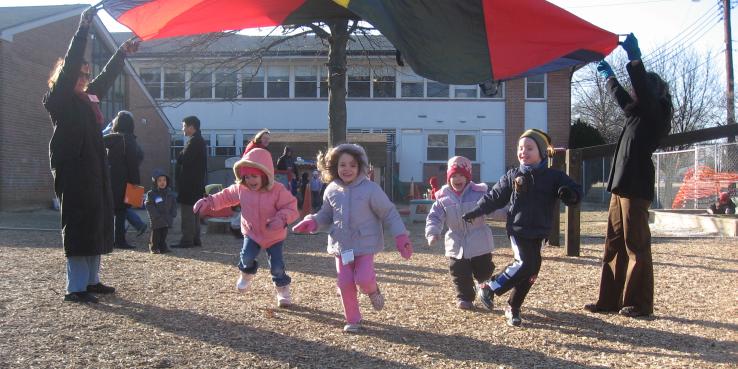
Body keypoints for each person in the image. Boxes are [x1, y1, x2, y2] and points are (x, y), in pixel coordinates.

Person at [43, 6, 138, 303]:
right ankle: (76, 287)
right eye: (79, 74)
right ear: (64, 76)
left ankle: (92, 281)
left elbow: (106, 78)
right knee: (78, 222)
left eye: (86, 73)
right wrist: (83, 28)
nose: (84, 77)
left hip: (95, 169)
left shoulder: (87, 99)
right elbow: (71, 63)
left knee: (97, 221)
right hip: (73, 169)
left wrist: (121, 52)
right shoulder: (59, 100)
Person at [584, 33, 673, 318]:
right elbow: (621, 96)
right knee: (613, 243)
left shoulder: (656, 112)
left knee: (636, 245)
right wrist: (608, 74)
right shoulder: (636, 113)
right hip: (620, 185)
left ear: (654, 92)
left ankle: (639, 303)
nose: (637, 93)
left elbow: (640, 91)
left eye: (643, 88)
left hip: (636, 186)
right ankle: (609, 300)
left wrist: (634, 59)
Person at [464, 129, 581, 327]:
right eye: (520, 148)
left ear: (542, 152)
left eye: (529, 148)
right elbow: (494, 197)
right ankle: (489, 286)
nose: (523, 152)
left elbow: (576, 191)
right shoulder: (513, 175)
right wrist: (476, 211)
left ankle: (513, 306)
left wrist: (569, 194)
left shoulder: (554, 176)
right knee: (524, 263)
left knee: (531, 272)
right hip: (519, 229)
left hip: (541, 231)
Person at [292, 143, 413, 333]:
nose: (347, 169)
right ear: (335, 167)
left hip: (365, 244)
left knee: (364, 278)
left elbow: (389, 212)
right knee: (344, 283)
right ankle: (353, 319)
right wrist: (313, 222)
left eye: (352, 165)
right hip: (342, 246)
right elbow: (326, 214)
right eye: (342, 165)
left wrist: (400, 236)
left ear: (361, 167)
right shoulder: (331, 189)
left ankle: (372, 290)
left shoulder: (370, 189)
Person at [194, 148, 298, 306]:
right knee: (247, 257)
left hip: (274, 235)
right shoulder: (242, 189)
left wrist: (282, 218)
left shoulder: (277, 190)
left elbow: (291, 207)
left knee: (276, 266)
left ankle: (282, 288)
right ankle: (246, 273)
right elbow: (226, 196)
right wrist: (209, 202)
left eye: (254, 176)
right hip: (252, 232)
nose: (250, 180)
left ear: (265, 175)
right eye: (246, 176)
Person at [425, 156, 496, 310]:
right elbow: (434, 217)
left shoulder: (479, 193)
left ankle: (482, 285)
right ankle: (465, 298)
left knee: (484, 269)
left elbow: (494, 207)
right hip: (456, 241)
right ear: (449, 178)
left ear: (468, 177)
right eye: (454, 176)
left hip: (479, 240)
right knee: (459, 272)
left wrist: (509, 215)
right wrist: (432, 232)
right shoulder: (444, 198)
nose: (457, 179)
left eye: (461, 175)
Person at [102, 113, 147, 237]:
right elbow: (132, 164)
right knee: (121, 211)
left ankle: (110, 237)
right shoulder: (129, 140)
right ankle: (120, 240)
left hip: (110, 180)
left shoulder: (110, 139)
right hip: (124, 181)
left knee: (113, 210)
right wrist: (136, 185)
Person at [172, 116, 208, 248]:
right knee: (195, 212)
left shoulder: (194, 142)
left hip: (189, 184)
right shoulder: (199, 141)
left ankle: (187, 240)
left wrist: (180, 156)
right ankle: (195, 239)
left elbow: (184, 159)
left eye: (184, 126)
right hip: (196, 183)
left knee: (188, 212)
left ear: (191, 127)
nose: (183, 129)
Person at [145, 169, 177, 254]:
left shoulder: (170, 193)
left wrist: (173, 213)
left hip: (167, 217)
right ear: (155, 182)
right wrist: (155, 215)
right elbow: (149, 204)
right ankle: (154, 247)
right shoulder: (151, 194)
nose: (162, 182)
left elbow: (174, 204)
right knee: (156, 234)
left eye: (164, 180)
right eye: (159, 181)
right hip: (156, 219)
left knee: (164, 234)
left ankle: (163, 247)